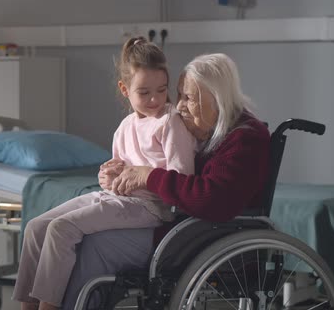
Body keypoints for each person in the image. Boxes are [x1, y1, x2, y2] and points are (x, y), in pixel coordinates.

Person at [59, 53, 271, 309]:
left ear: (217, 99)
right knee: (86, 233)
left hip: (198, 238)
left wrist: (149, 176)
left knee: (97, 244)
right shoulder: (212, 133)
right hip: (183, 230)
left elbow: (210, 199)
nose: (178, 106)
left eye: (188, 98)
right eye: (179, 94)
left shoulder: (244, 139)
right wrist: (125, 173)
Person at [12, 36, 197, 310]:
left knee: (60, 230)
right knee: (35, 228)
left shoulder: (169, 122)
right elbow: (117, 173)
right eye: (144, 93)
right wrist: (108, 177)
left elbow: (182, 177)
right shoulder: (125, 127)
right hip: (117, 199)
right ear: (125, 89)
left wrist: (141, 176)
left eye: (161, 89)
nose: (155, 99)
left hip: (150, 207)